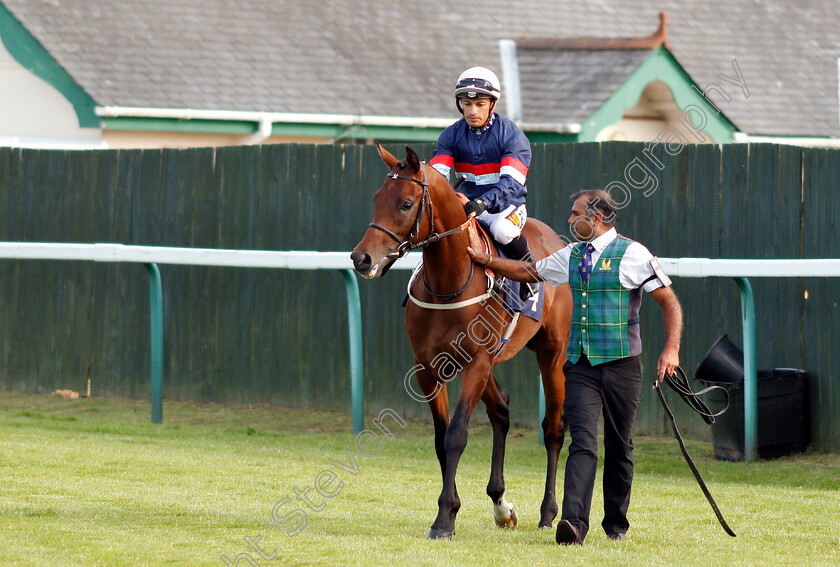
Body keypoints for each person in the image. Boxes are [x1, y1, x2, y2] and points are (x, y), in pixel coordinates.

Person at [467, 189, 683, 545]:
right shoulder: (572, 254)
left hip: (622, 366)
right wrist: (484, 260)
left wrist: (671, 349)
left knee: (619, 445)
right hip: (581, 367)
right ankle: (573, 523)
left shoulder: (633, 254)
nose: (569, 220)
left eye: (575, 214)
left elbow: (668, 302)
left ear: (595, 218)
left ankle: (616, 523)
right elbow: (529, 270)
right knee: (582, 440)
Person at [430, 66, 537, 306]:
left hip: (506, 207)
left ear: (492, 104)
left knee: (502, 230)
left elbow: (511, 183)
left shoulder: (512, 135)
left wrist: (484, 202)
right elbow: (438, 176)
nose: (472, 110)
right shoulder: (450, 135)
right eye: (467, 104)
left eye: (479, 104)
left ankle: (530, 275)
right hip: (467, 206)